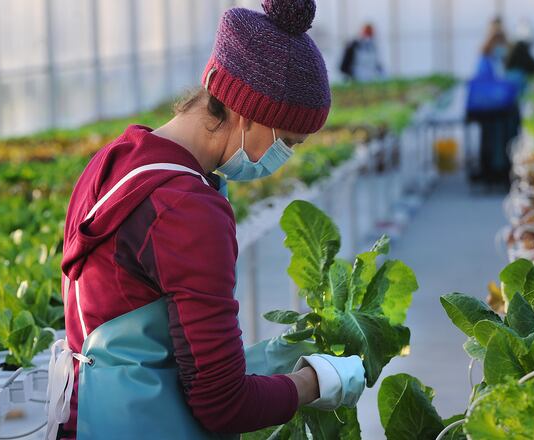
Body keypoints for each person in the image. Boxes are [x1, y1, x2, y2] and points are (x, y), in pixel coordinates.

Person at [45, 1, 365, 439]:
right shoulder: (188, 210)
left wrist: (271, 359)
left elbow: (145, 335)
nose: (285, 158)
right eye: (287, 142)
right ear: (247, 112)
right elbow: (223, 404)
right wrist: (316, 381)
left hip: (87, 419)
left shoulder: (116, 161)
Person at [465, 16, 518, 188]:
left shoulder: (507, 55)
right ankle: (491, 173)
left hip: (503, 109)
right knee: (491, 141)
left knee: (504, 141)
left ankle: (501, 173)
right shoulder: (485, 57)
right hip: (490, 110)